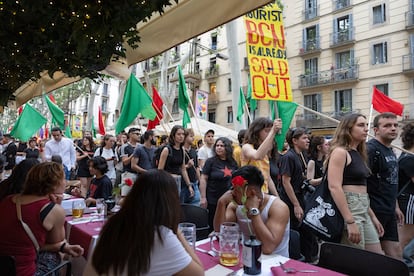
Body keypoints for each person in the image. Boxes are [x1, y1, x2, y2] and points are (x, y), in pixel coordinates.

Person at [83, 169, 203, 276]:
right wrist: (176, 230)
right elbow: (198, 273)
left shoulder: (114, 225)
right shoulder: (160, 235)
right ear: (170, 202)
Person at [0, 162, 84, 275]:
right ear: (55, 184)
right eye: (64, 178)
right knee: (58, 254)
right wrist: (57, 205)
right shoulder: (52, 210)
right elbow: (58, 242)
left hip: (4, 267)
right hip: (24, 272)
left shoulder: (8, 200)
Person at [327, 113, 384, 253]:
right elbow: (334, 187)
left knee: (377, 256)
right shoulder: (340, 152)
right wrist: (350, 221)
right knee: (357, 259)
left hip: (363, 207)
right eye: (360, 125)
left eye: (366, 125)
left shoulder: (358, 153)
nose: (366, 129)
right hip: (350, 208)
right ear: (348, 128)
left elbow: (362, 189)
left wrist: (372, 216)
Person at [214, 165, 290, 256]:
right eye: (232, 188)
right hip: (246, 256)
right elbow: (220, 233)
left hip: (275, 262)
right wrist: (221, 204)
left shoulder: (278, 208)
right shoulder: (235, 206)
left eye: (236, 189)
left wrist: (254, 211)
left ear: (251, 192)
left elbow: (267, 248)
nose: (232, 193)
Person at [366, 112, 403, 259]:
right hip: (375, 211)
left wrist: (396, 206)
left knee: (396, 255)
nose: (393, 128)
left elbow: (390, 180)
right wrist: (371, 215)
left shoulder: (391, 150)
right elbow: (362, 184)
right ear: (376, 130)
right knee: (375, 259)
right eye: (387, 125)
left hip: (389, 211)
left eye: (395, 125)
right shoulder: (370, 150)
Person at [279, 127, 318, 262]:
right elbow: (286, 182)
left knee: (306, 232)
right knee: (295, 232)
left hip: (299, 198)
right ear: (295, 141)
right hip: (290, 201)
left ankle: (308, 260)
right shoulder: (288, 157)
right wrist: (296, 205)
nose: (308, 140)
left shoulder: (300, 156)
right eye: (304, 138)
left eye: (308, 138)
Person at [199, 137, 238, 231]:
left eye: (222, 146)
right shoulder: (210, 161)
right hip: (212, 200)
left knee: (227, 226)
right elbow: (203, 178)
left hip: (228, 201)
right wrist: (203, 197)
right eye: (217, 145)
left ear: (227, 148)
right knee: (213, 227)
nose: (219, 148)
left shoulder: (233, 163)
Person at [241, 117, 282, 195]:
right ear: (256, 132)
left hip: (264, 194)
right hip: (250, 194)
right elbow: (257, 156)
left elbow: (268, 178)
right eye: (267, 131)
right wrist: (273, 131)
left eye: (270, 130)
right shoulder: (247, 147)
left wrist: (277, 197)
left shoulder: (265, 152)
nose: (269, 133)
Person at [158, 125, 192, 199]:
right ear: (173, 136)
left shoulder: (182, 150)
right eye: (178, 134)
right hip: (167, 182)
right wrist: (171, 175)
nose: (181, 136)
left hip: (178, 181)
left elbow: (183, 169)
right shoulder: (166, 150)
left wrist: (189, 185)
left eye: (183, 134)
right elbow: (160, 170)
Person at [397, 122, 414, 261]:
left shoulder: (406, 156)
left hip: (408, 200)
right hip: (408, 201)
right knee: (405, 239)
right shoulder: (409, 158)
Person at [181, 128, 201, 205]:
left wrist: (199, 181)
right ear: (185, 137)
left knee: (196, 207)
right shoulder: (180, 150)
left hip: (194, 183)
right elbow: (178, 169)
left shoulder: (194, 151)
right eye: (191, 136)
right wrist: (187, 166)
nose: (193, 138)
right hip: (183, 185)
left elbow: (197, 168)